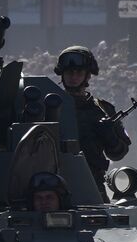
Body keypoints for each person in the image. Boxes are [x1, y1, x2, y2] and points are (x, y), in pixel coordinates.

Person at [54, 46, 129, 198]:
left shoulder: (103, 109)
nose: (73, 76)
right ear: (62, 75)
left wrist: (110, 136)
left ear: (87, 76)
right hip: (53, 183)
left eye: (79, 72)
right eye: (69, 72)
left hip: (92, 183)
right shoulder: (49, 106)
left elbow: (119, 153)